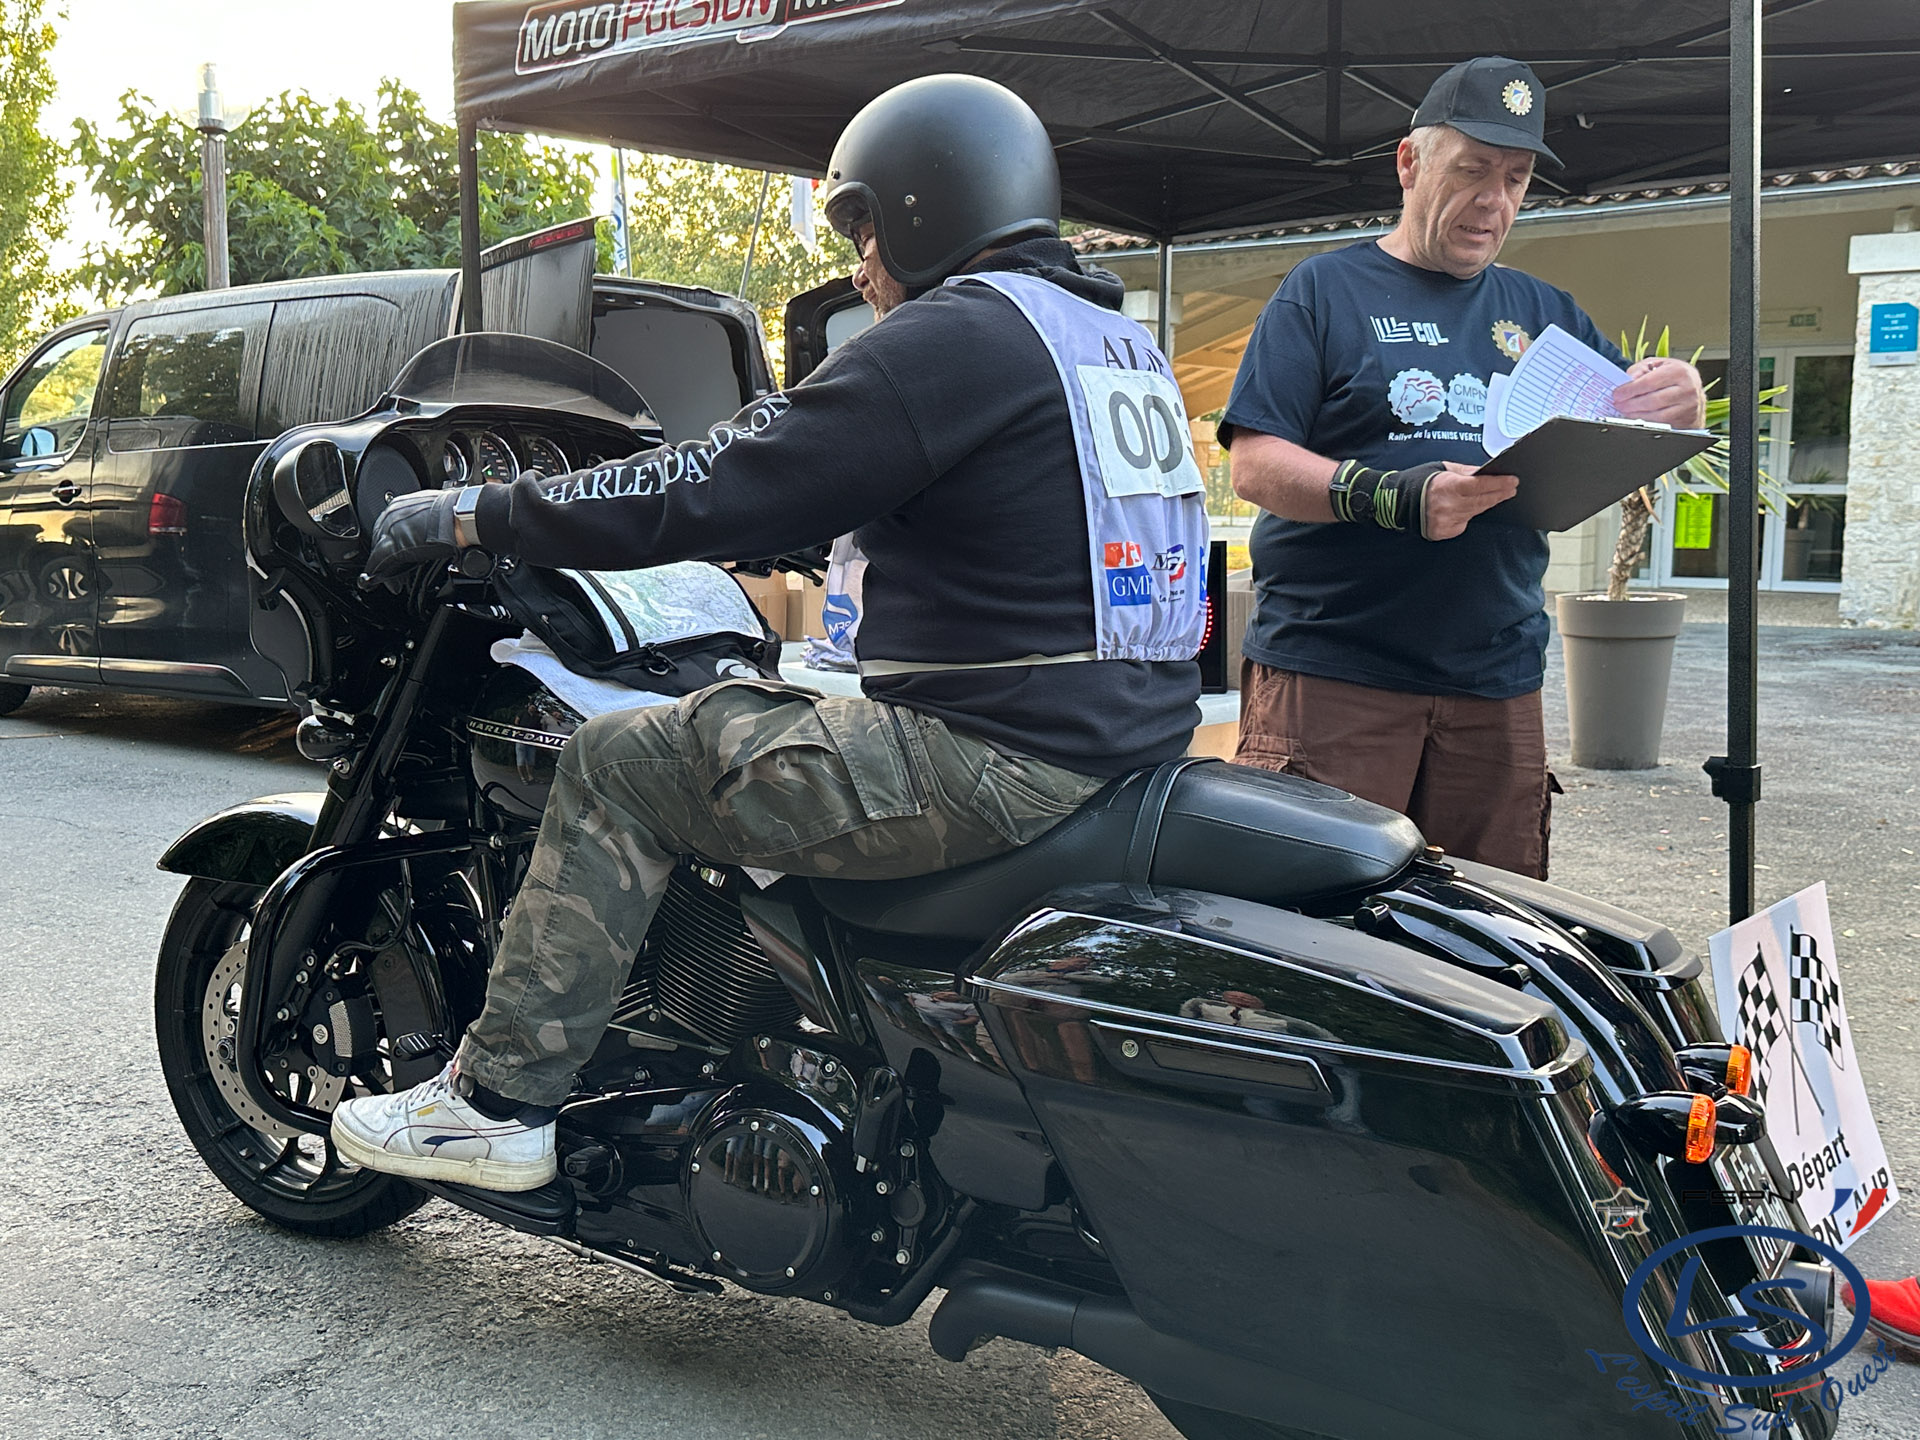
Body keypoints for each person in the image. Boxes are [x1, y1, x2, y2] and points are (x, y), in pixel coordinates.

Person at [327, 74, 1210, 1192]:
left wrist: (479, 511)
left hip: (991, 757)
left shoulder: (959, 333)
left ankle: (499, 1102)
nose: (860, 267)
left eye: (865, 229)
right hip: (1121, 739)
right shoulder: (1104, 338)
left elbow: (714, 478)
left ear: (929, 208)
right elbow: (1010, 520)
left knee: (618, 760)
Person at [1220, 56, 1705, 879]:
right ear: (1409, 163)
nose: (1494, 201)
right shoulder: (1324, 291)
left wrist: (1680, 398)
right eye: (1473, 169)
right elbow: (1255, 465)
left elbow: (1629, 423)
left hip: (1496, 680)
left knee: (1493, 923)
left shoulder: (1545, 312)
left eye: (1515, 179)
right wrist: (1394, 498)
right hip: (1335, 674)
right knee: (1317, 922)